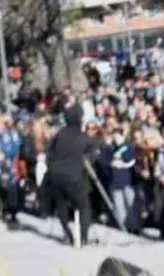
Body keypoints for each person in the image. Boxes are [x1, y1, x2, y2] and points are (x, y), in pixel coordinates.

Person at [44, 103, 97, 246]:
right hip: (74, 177)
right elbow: (93, 153)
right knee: (84, 206)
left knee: (62, 206)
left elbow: (48, 152)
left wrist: (52, 166)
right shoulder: (83, 136)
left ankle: (68, 234)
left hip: (57, 176)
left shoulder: (59, 134)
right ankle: (84, 238)